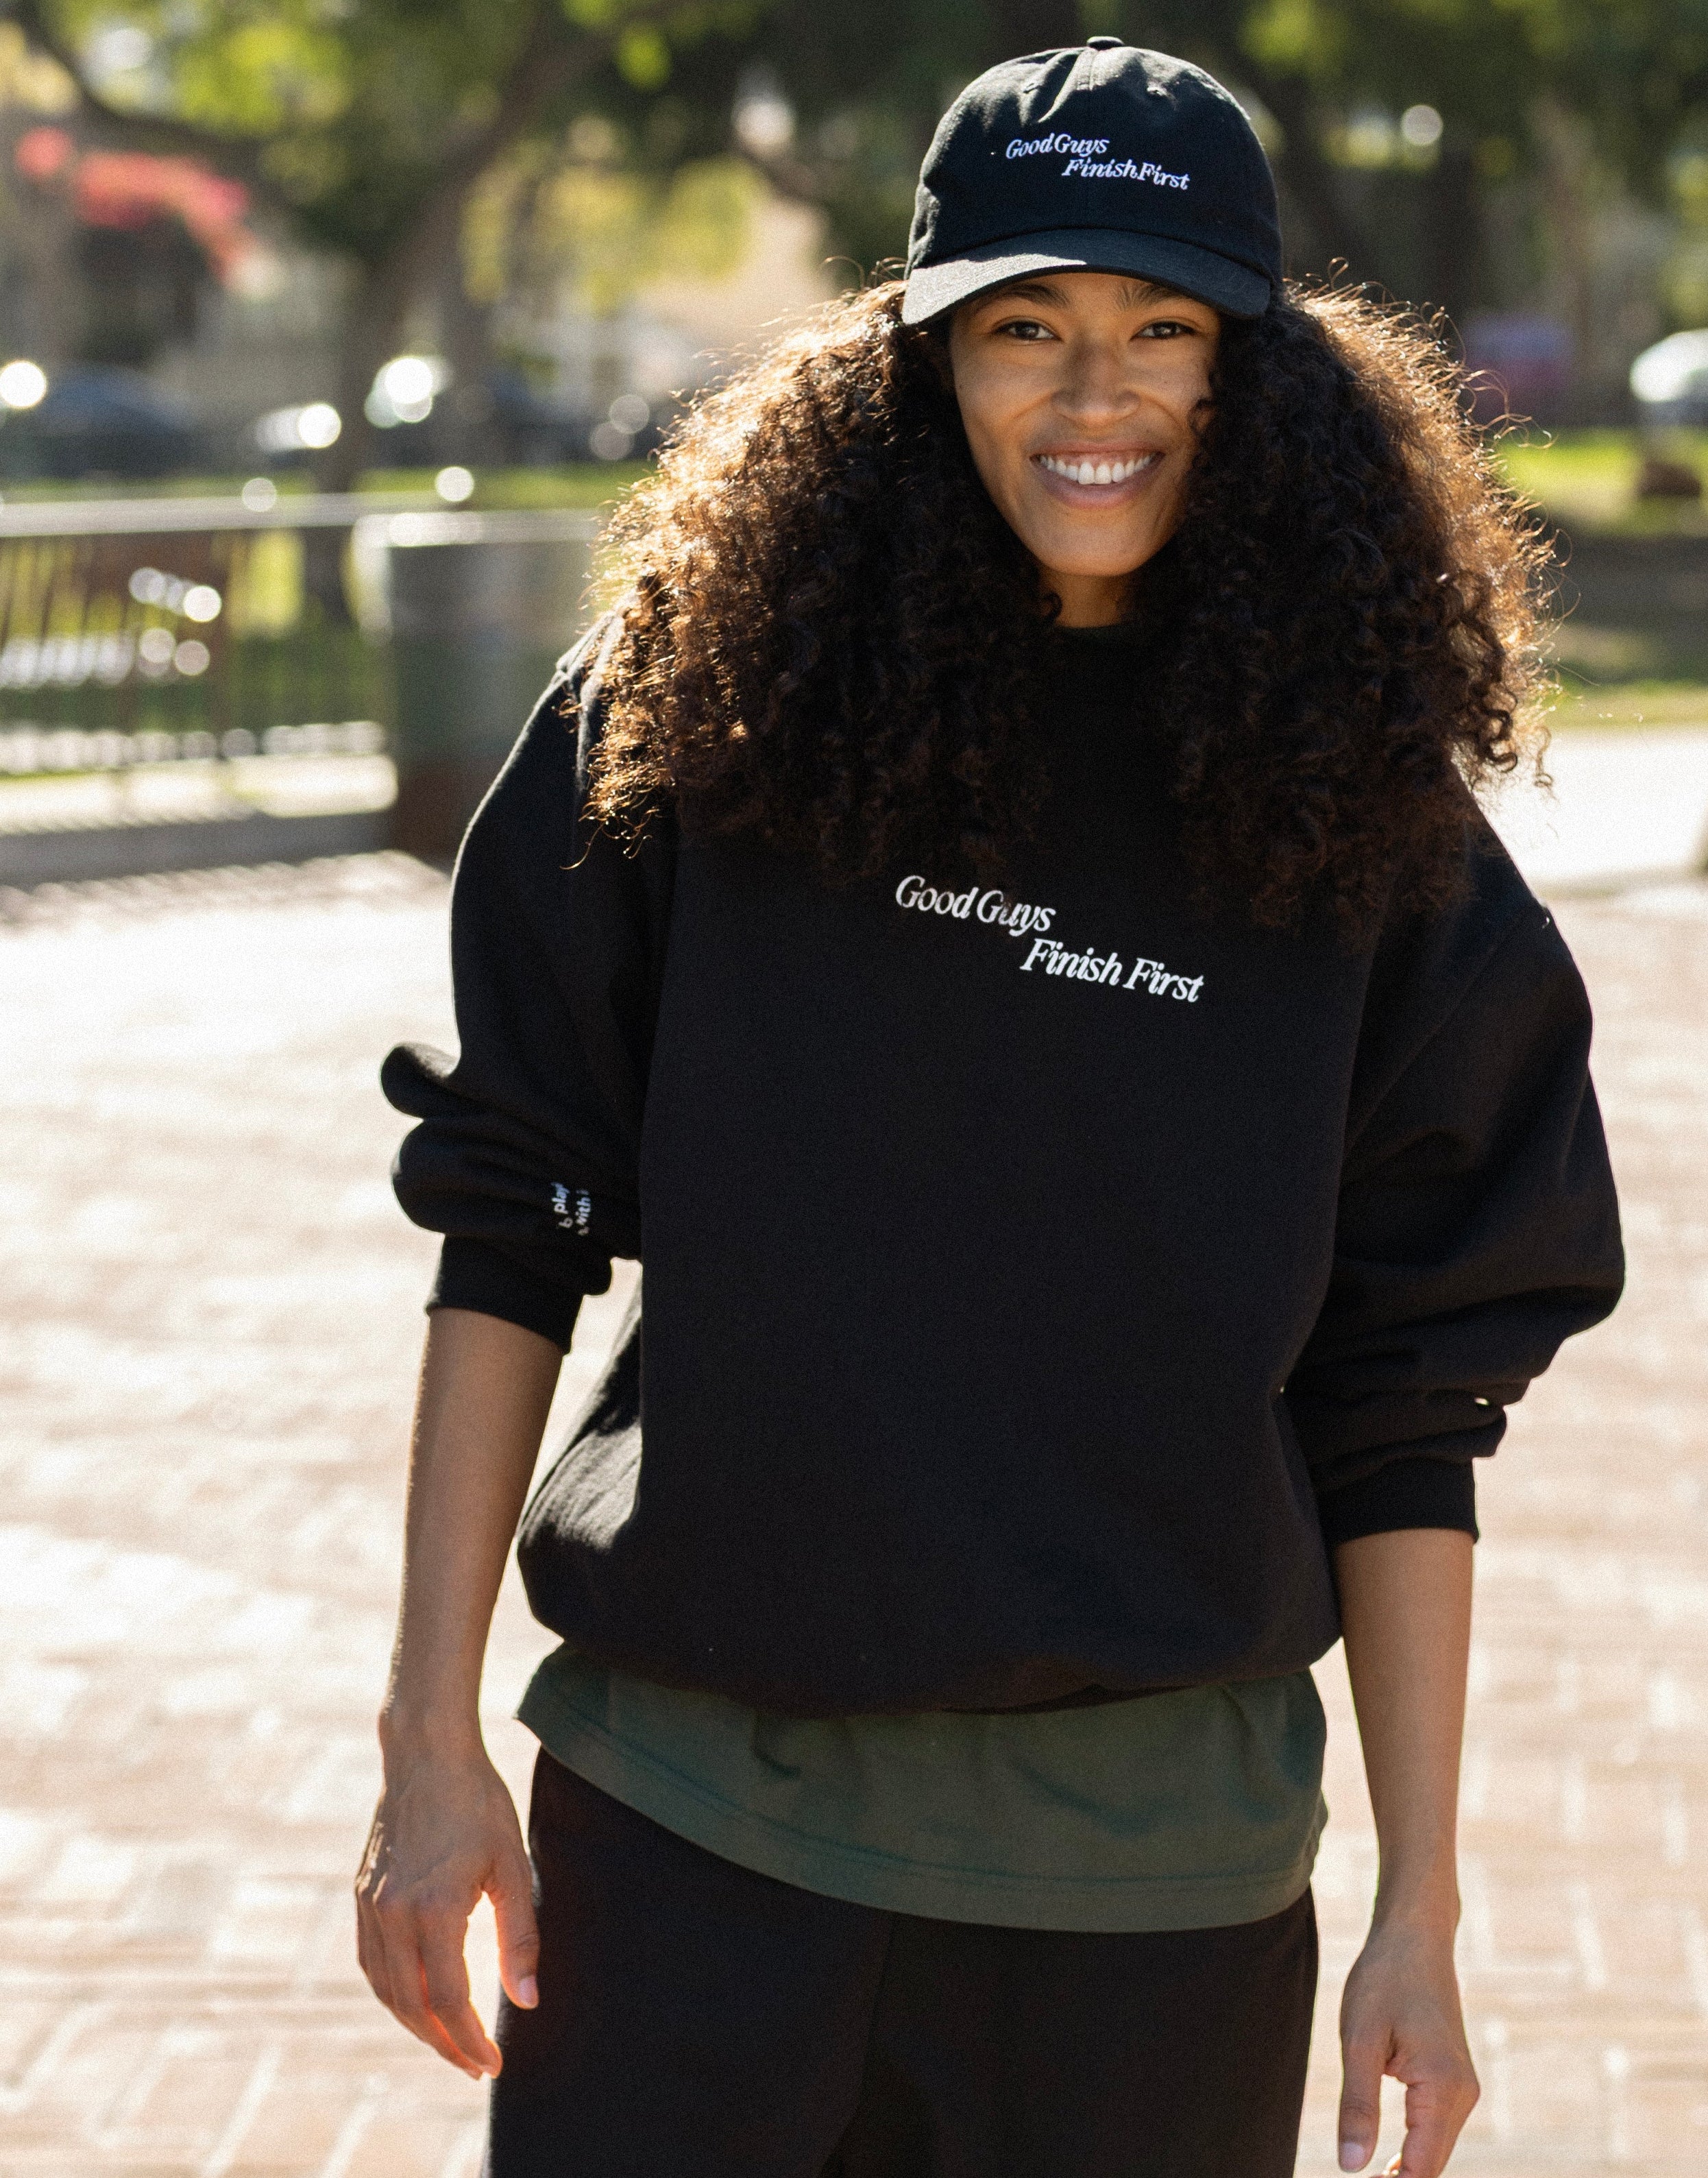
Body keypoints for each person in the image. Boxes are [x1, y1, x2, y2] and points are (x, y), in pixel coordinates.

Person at [355, 37, 1624, 2178]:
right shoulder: (701, 715)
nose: (1093, 389)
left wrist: (1419, 1904)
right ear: (925, 356)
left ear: (1257, 371)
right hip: (688, 1841)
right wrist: (425, 1749)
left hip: (1152, 1906)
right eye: (1026, 324)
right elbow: (514, 1212)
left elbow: (1410, 1398)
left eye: (1164, 327)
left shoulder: (1373, 834)